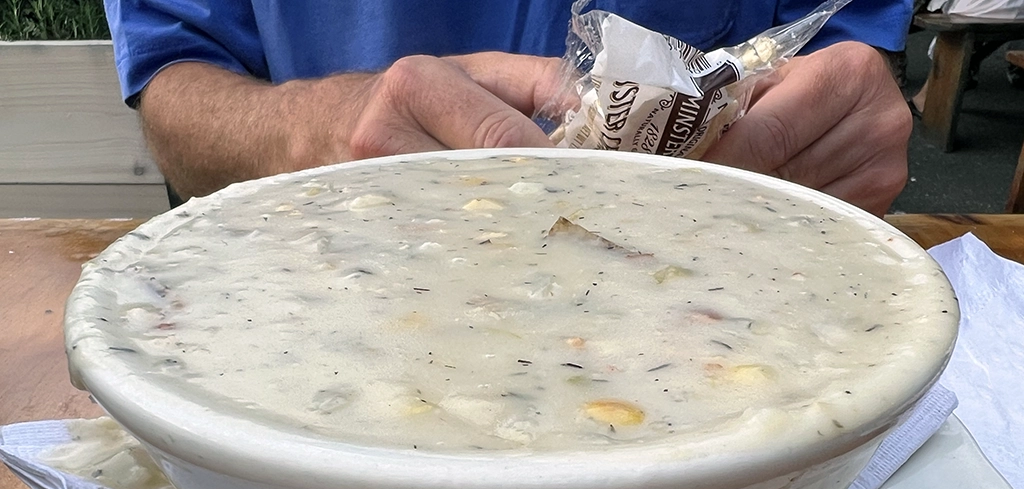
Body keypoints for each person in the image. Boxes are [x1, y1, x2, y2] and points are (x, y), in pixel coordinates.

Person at [103, 0, 914, 216]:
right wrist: (306, 127)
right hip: (335, 302)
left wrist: (842, 122)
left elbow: (844, 51)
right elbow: (175, 76)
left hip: (719, 336)